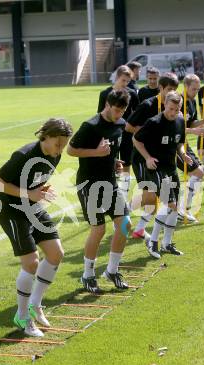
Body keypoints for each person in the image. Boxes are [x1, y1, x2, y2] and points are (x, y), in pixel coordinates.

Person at [0, 118, 73, 337]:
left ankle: (34, 305)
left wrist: (42, 191)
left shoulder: (55, 155)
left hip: (32, 207)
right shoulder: (24, 155)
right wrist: (30, 193)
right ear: (45, 136)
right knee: (31, 262)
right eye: (58, 144)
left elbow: (35, 180)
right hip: (11, 211)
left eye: (64, 145)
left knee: (56, 253)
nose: (60, 150)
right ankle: (22, 317)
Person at [67, 89, 132, 293]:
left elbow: (110, 150)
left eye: (122, 111)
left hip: (110, 182)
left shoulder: (121, 124)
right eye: (116, 110)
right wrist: (96, 153)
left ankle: (112, 271)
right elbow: (70, 150)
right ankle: (87, 275)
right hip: (89, 184)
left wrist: (114, 162)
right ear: (107, 105)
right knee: (99, 229)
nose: (119, 115)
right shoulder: (91, 126)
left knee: (125, 224)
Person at [133, 91, 193, 258]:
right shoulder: (154, 122)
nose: (174, 112)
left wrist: (183, 154)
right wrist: (147, 157)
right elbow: (136, 140)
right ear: (165, 105)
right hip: (157, 168)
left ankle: (167, 243)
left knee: (175, 207)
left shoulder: (180, 120)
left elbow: (179, 143)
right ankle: (153, 242)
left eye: (177, 108)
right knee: (170, 205)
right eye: (171, 108)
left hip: (171, 167)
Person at [126, 73, 179, 240]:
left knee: (153, 197)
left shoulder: (172, 106)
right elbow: (128, 127)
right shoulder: (147, 105)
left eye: (175, 89)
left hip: (159, 158)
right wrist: (147, 132)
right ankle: (123, 211)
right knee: (151, 195)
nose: (172, 92)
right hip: (142, 157)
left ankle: (139, 228)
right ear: (161, 88)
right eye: (169, 89)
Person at [97, 65, 139, 196]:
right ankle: (111, 194)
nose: (125, 84)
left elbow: (137, 114)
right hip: (110, 135)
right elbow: (99, 114)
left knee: (126, 164)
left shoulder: (131, 93)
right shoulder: (105, 94)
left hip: (126, 134)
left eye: (128, 81)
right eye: (123, 80)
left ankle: (124, 196)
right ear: (117, 77)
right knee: (111, 164)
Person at [178, 74, 204, 222]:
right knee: (198, 172)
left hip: (183, 142)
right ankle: (181, 210)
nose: (196, 92)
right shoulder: (178, 102)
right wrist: (193, 131)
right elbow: (174, 128)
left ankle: (182, 209)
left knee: (198, 173)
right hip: (173, 145)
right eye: (193, 89)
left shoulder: (191, 102)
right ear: (185, 86)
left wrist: (203, 121)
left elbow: (190, 123)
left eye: (198, 89)